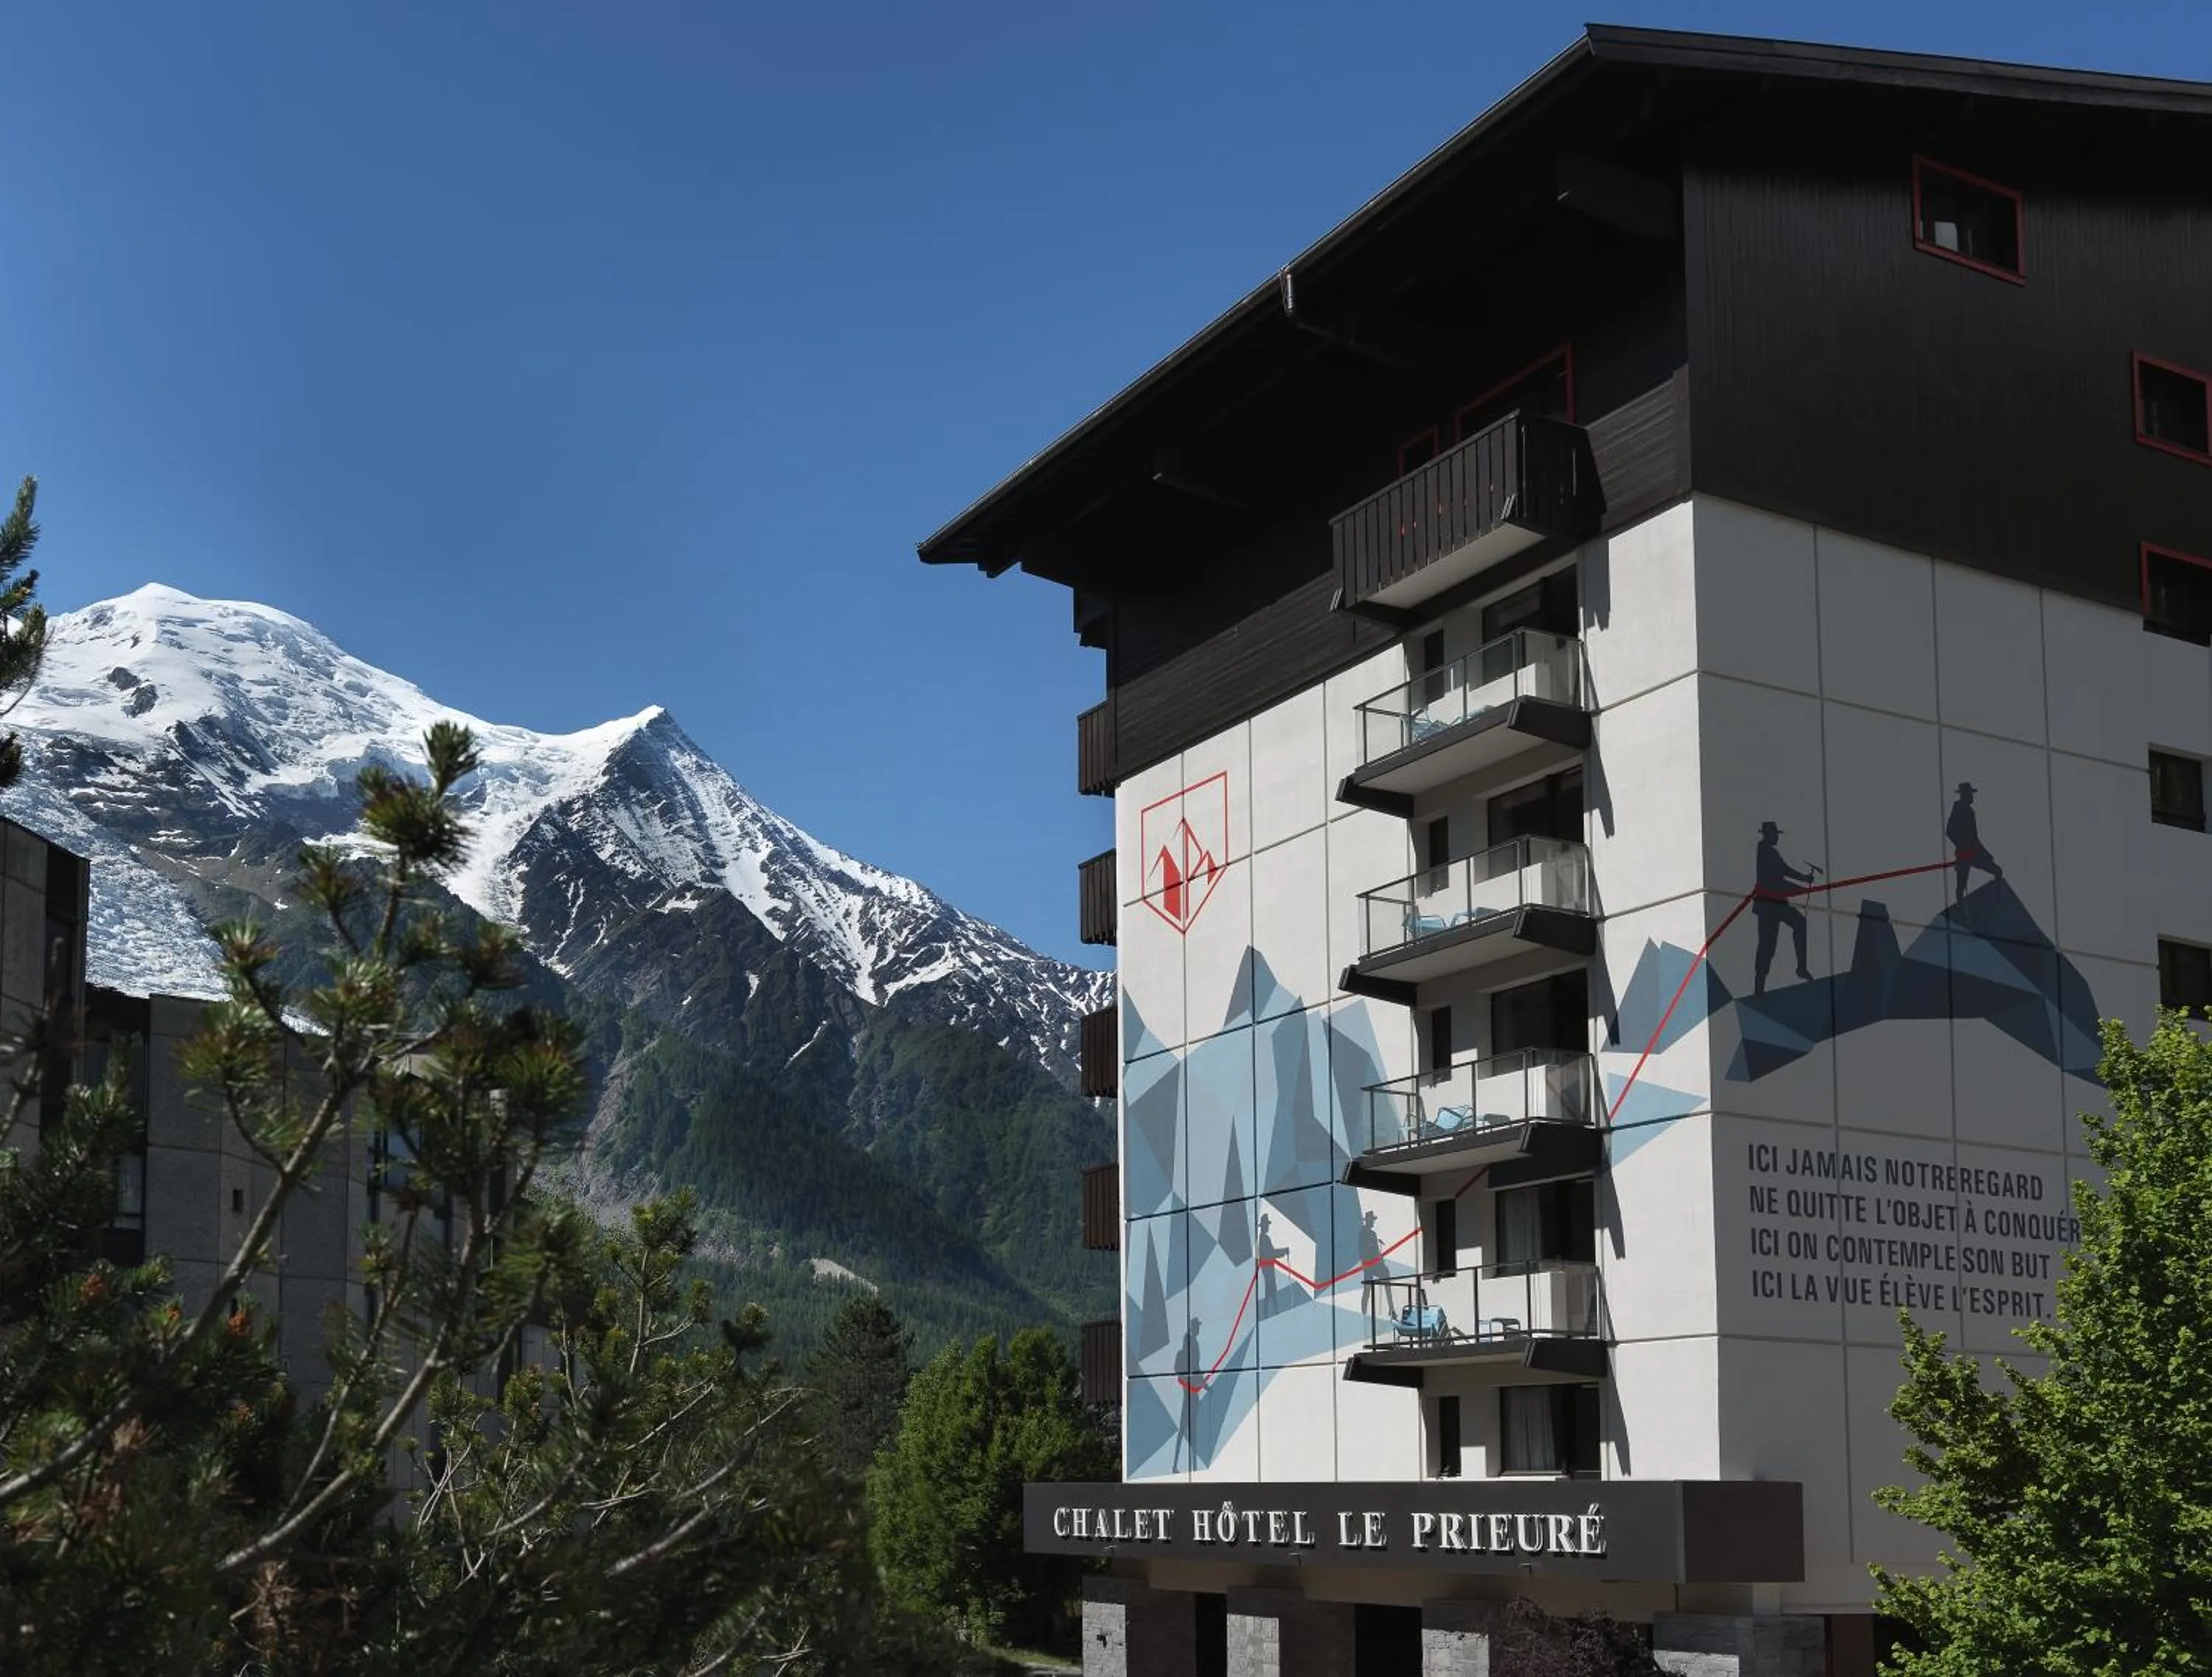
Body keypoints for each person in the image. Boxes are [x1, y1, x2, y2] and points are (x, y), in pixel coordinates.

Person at [1752, 820, 1817, 996]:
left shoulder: (1770, 852)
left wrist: (1803, 879)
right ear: (1768, 835)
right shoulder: (1766, 853)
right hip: (1768, 905)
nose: (1777, 838)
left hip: (1778, 903)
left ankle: (1801, 968)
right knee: (1768, 945)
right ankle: (1759, 987)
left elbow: (1784, 870)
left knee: (1799, 924)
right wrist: (1802, 886)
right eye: (1775, 835)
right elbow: (1779, 878)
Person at [1946, 782, 2003, 909]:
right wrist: (1962, 845)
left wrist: (1984, 853)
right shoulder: (1958, 809)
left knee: (1997, 871)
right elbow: (1949, 831)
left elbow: (1974, 838)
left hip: (1974, 852)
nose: (1972, 797)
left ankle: (1999, 901)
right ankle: (1962, 910)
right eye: (1970, 794)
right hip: (1965, 854)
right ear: (1965, 795)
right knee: (1961, 885)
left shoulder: (1969, 811)